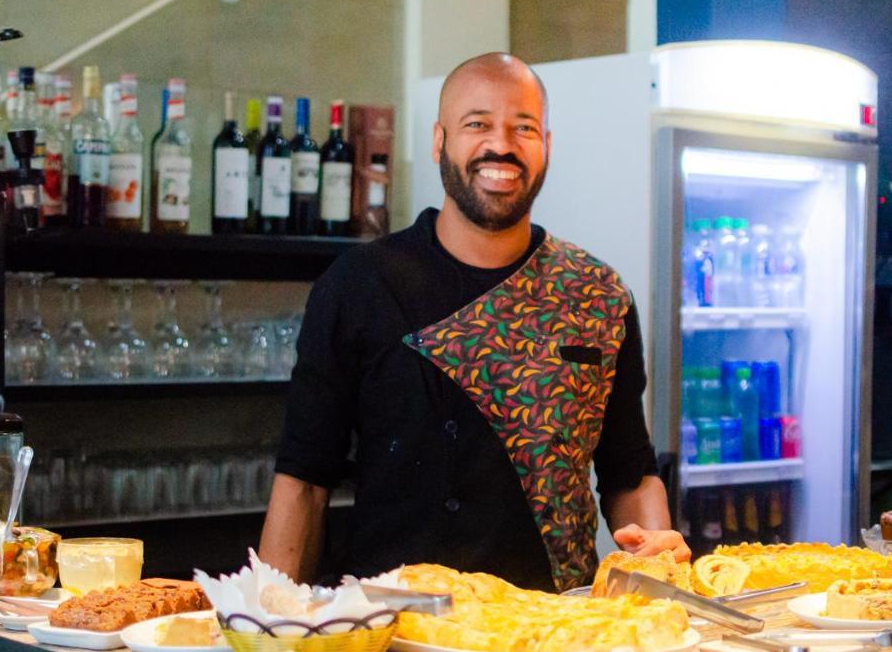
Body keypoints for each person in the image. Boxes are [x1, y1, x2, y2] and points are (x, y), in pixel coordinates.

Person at [260, 52, 689, 592]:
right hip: (389, 629)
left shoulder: (597, 294)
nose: (501, 145)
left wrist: (660, 563)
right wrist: (269, 626)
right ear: (440, 141)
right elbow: (303, 480)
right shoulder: (360, 285)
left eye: (523, 128)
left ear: (547, 147)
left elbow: (630, 473)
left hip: (553, 630)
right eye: (477, 124)